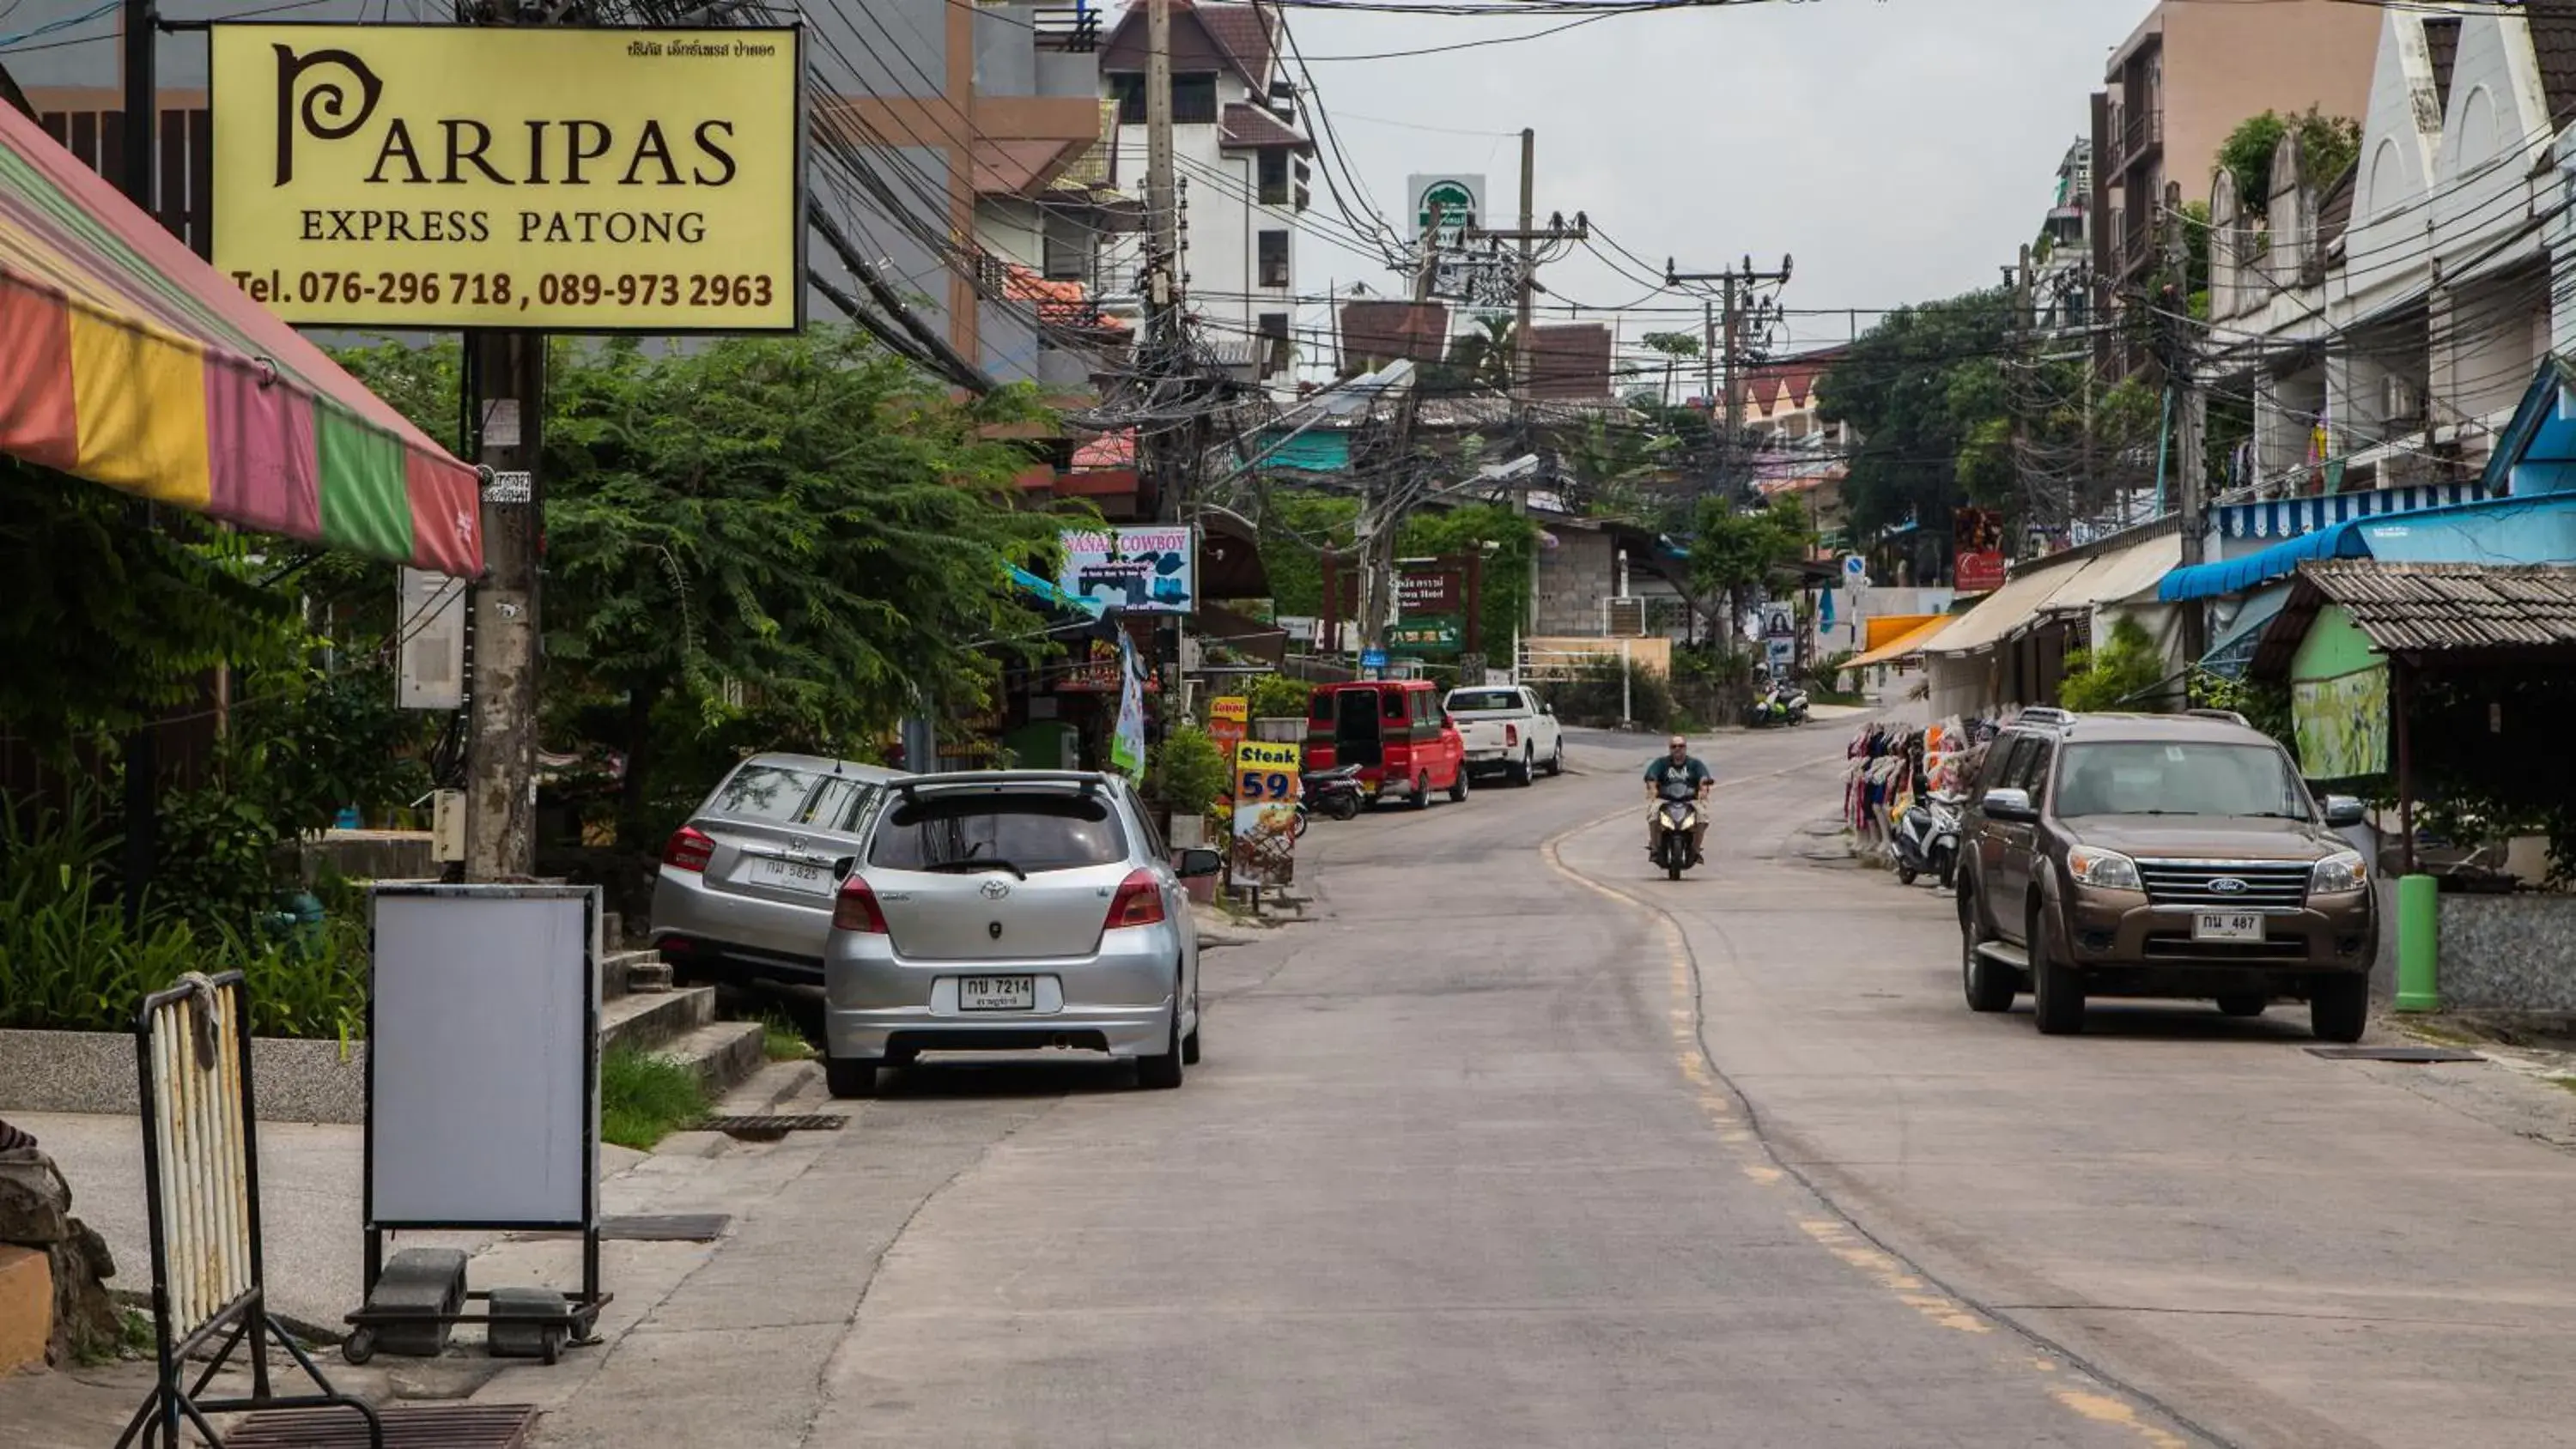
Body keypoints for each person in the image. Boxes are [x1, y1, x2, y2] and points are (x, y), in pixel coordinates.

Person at [1644, 735, 1713, 859]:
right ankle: (1655, 848)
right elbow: (1651, 775)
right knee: (1653, 815)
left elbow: (1703, 776)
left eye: (1681, 746)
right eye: (1674, 746)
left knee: (1702, 817)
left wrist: (1703, 788)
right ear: (1670, 749)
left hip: (1690, 799)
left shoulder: (1694, 764)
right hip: (1665, 799)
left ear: (1685, 748)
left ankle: (1695, 850)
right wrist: (1653, 787)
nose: (1678, 749)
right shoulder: (1661, 763)